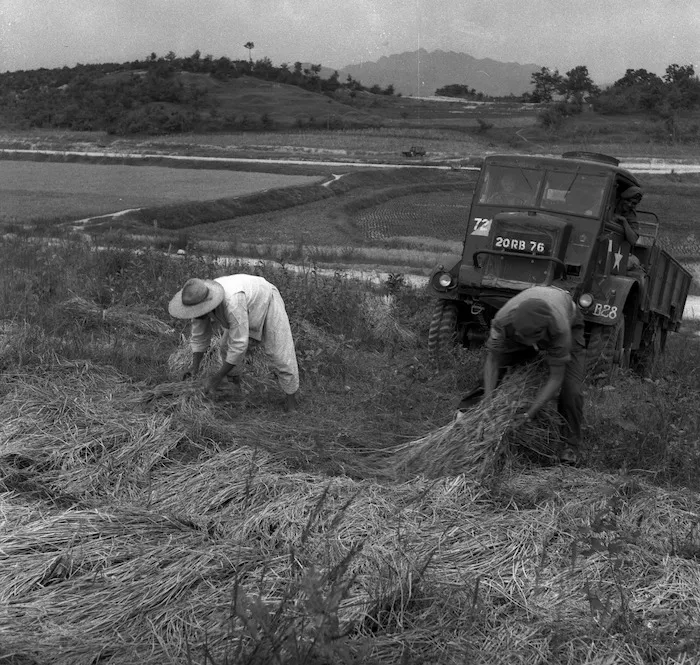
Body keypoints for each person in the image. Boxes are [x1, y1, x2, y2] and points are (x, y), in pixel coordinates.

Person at [461, 286, 585, 465]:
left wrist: (529, 413)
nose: (525, 342)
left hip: (568, 317)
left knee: (571, 390)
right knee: (497, 367)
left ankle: (570, 446)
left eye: (529, 339)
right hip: (527, 321)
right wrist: (489, 404)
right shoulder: (503, 320)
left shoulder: (561, 330)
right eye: (520, 336)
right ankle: (467, 413)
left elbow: (556, 378)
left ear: (542, 334)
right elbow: (493, 362)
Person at [168, 274, 299, 412]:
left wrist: (217, 378)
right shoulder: (197, 301)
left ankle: (292, 405)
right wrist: (194, 368)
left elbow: (239, 345)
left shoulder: (232, 301)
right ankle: (235, 391)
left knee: (280, 353)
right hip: (244, 307)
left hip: (266, 300)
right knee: (225, 347)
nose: (196, 314)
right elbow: (199, 337)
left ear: (207, 304)